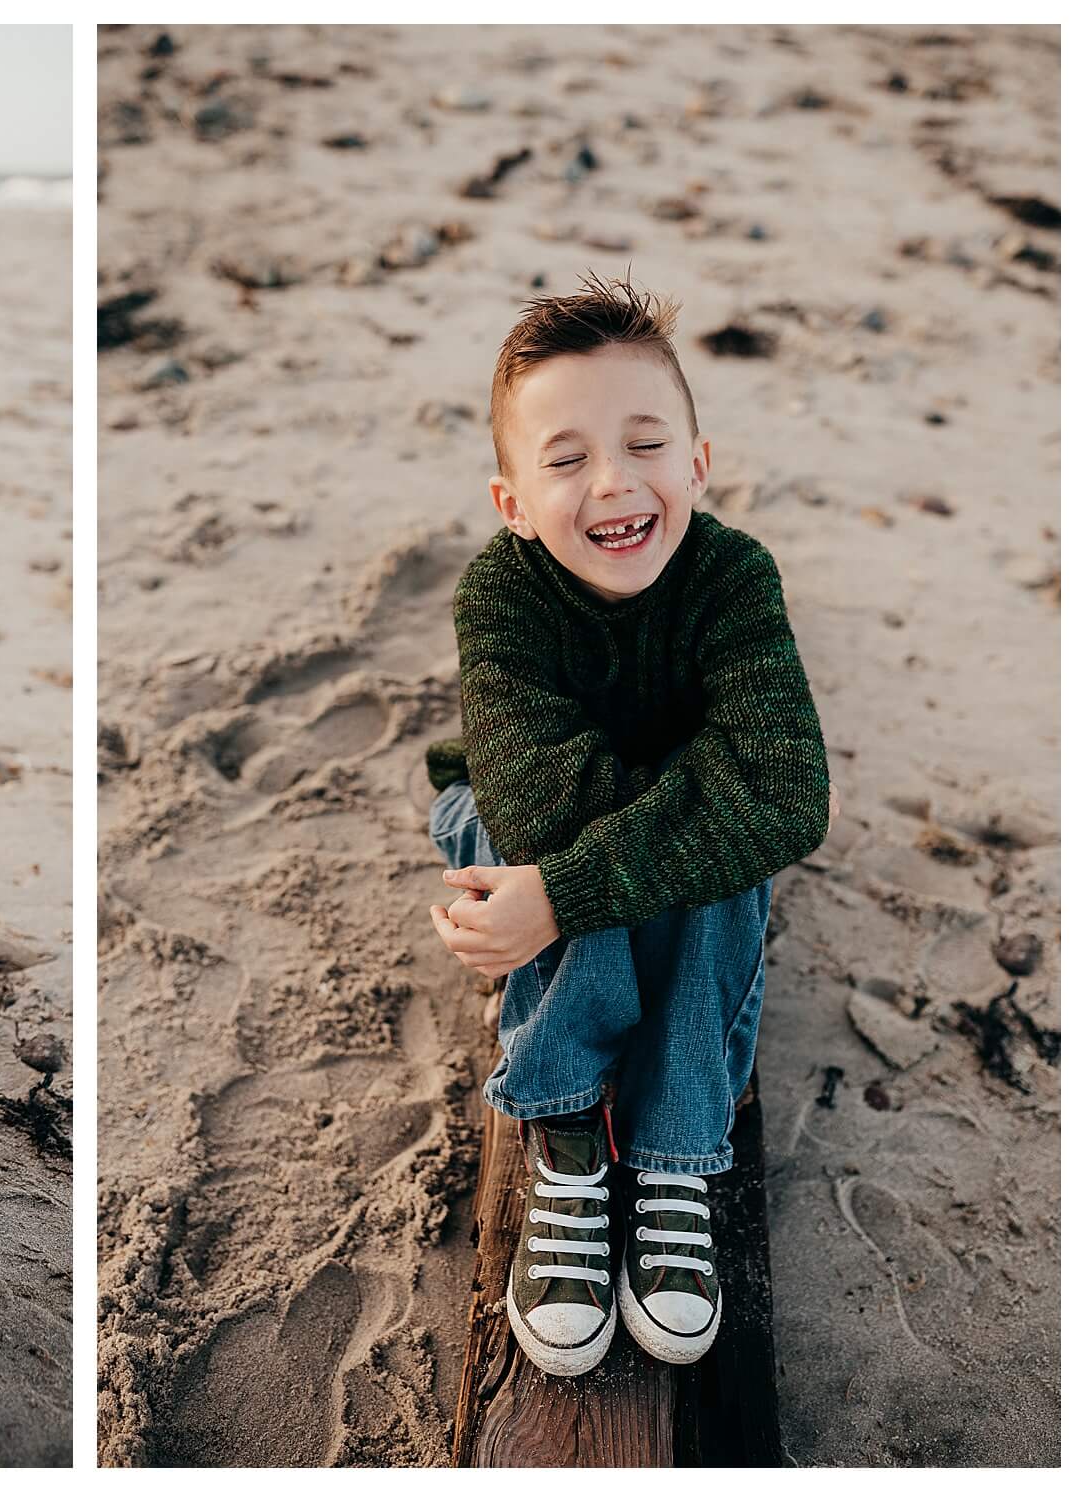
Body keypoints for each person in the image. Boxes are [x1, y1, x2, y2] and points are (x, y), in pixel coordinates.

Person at [423, 275, 835, 1376]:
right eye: (564, 459)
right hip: (507, 808)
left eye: (645, 443)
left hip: (615, 841)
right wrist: (562, 878)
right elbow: (538, 808)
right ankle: (562, 1131)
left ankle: (669, 1153)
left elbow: (787, 795)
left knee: (718, 866)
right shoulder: (498, 597)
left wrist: (562, 895)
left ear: (696, 465)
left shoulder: (733, 578)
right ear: (512, 502)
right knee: (570, 846)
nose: (613, 482)